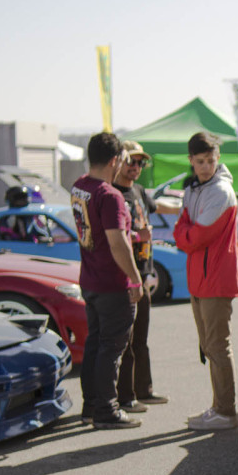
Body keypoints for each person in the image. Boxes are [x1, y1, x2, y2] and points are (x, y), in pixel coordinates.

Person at [173, 132, 238, 431]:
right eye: (200, 161)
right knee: (210, 346)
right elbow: (184, 229)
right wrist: (185, 230)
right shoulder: (195, 188)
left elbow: (193, 236)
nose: (206, 166)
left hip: (215, 278)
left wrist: (184, 230)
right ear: (190, 160)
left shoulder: (220, 192)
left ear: (218, 159)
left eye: (211, 160)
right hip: (201, 278)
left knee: (216, 346)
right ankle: (219, 407)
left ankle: (225, 412)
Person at [71, 132, 143, 430]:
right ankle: (106, 410)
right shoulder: (109, 195)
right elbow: (117, 243)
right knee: (111, 350)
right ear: (115, 160)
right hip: (112, 284)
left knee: (95, 345)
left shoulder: (79, 186)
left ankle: (91, 407)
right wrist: (135, 279)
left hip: (89, 279)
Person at [113, 141, 169, 412]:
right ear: (119, 160)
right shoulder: (112, 193)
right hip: (125, 277)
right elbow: (114, 237)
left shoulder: (138, 190)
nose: (136, 167)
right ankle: (125, 398)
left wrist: (191, 205)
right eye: (131, 161)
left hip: (144, 275)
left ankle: (143, 391)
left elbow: (158, 206)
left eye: (140, 163)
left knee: (141, 340)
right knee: (124, 343)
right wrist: (138, 237)